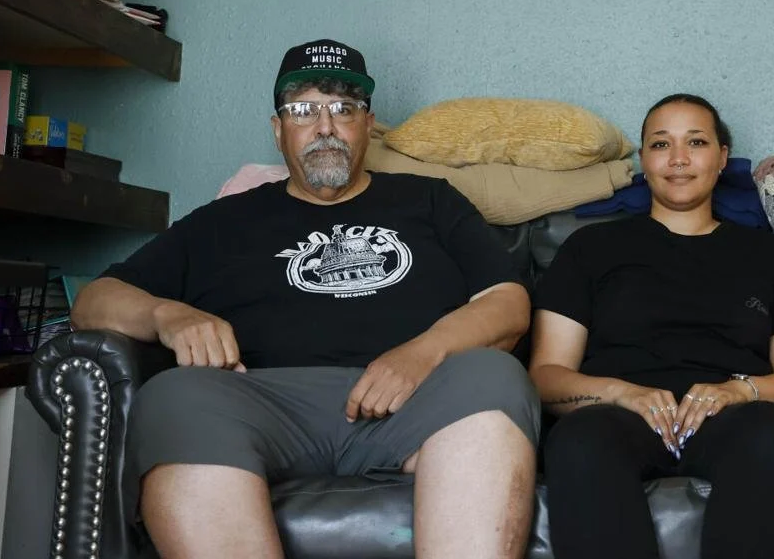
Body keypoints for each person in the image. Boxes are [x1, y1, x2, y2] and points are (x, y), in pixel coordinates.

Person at [71, 39, 540, 559]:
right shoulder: (223, 221)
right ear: (278, 129)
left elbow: (507, 303)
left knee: (494, 375)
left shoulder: (431, 200)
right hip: (263, 406)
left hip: (416, 402)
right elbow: (94, 301)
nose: (325, 126)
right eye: (303, 110)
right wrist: (168, 315)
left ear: (368, 125)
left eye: (343, 109)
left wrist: (422, 354)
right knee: (174, 395)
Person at [530, 94, 774, 559]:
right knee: (578, 440)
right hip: (616, 416)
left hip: (735, 418)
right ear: (644, 160)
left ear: (722, 158)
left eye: (697, 142)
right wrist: (620, 393)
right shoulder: (590, 248)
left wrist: (738, 391)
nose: (679, 158)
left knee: (771, 431)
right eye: (661, 144)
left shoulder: (772, 257)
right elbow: (547, 376)